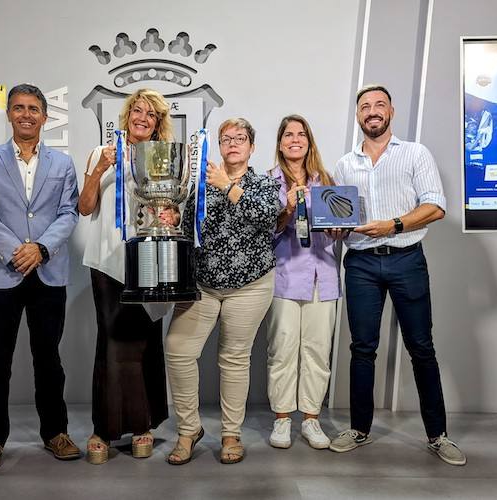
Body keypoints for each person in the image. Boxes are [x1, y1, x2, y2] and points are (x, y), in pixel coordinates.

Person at [330, 84, 466, 466]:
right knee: (362, 349)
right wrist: (336, 227)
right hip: (360, 264)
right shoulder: (345, 164)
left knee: (421, 348)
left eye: (379, 105)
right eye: (364, 107)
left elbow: (436, 206)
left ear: (391, 112)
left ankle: (438, 436)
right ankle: (360, 430)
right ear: (358, 116)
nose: (371, 111)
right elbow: (344, 217)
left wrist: (392, 225)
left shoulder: (415, 153)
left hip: (406, 259)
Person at [0, 84, 80, 473]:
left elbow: (69, 213)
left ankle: (56, 433)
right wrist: (17, 250)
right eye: (18, 108)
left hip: (47, 272)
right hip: (2, 272)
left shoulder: (62, 164)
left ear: (45, 117)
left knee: (48, 358)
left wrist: (41, 249)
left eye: (33, 108)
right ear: (10, 115)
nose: (26, 114)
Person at [164, 118, 280, 465]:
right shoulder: (201, 183)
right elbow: (188, 232)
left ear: (251, 146)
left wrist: (228, 185)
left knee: (233, 359)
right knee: (178, 349)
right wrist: (171, 220)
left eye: (240, 138)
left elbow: (266, 217)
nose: (232, 143)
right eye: (225, 138)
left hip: (250, 284)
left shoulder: (264, 183)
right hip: (204, 285)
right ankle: (189, 430)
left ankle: (231, 434)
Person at [78, 89, 172, 465]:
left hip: (149, 260)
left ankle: (144, 425)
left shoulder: (164, 158)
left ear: (157, 123)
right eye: (137, 110)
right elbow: (85, 207)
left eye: (151, 114)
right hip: (106, 262)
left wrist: (169, 216)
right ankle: (105, 428)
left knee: (145, 340)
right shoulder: (100, 153)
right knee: (113, 342)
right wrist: (101, 169)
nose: (143, 117)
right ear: (127, 115)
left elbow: (172, 209)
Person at [265, 115, 342, 451]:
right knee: (282, 350)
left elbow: (339, 224)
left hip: (322, 277)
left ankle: (311, 419)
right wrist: (289, 207)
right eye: (288, 134)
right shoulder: (268, 182)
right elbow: (265, 230)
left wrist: (341, 229)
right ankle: (282, 420)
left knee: (317, 350)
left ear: (309, 142)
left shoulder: (327, 181)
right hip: (285, 276)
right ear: (280, 142)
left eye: (301, 134)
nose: (295, 139)